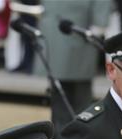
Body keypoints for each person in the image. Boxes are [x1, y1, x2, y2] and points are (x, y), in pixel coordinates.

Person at [36, 0, 112, 128]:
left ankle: (78, 137)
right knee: (59, 97)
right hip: (55, 37)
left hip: (78, 37)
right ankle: (61, 138)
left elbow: (101, 16)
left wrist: (99, 25)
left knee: (80, 100)